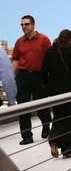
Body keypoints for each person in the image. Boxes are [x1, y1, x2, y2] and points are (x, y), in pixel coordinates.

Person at [41, 30, 71, 158]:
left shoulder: (51, 51)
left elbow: (44, 70)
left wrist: (47, 85)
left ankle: (54, 140)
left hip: (55, 90)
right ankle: (67, 149)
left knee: (58, 116)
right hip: (69, 89)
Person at [12, 15, 52, 145]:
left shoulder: (44, 39)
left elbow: (50, 59)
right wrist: (12, 78)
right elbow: (16, 60)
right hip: (23, 76)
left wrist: (49, 77)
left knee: (42, 106)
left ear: (33, 25)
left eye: (26, 24)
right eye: (22, 25)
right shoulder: (19, 42)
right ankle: (27, 136)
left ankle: (46, 127)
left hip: (39, 76)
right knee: (23, 107)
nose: (24, 27)